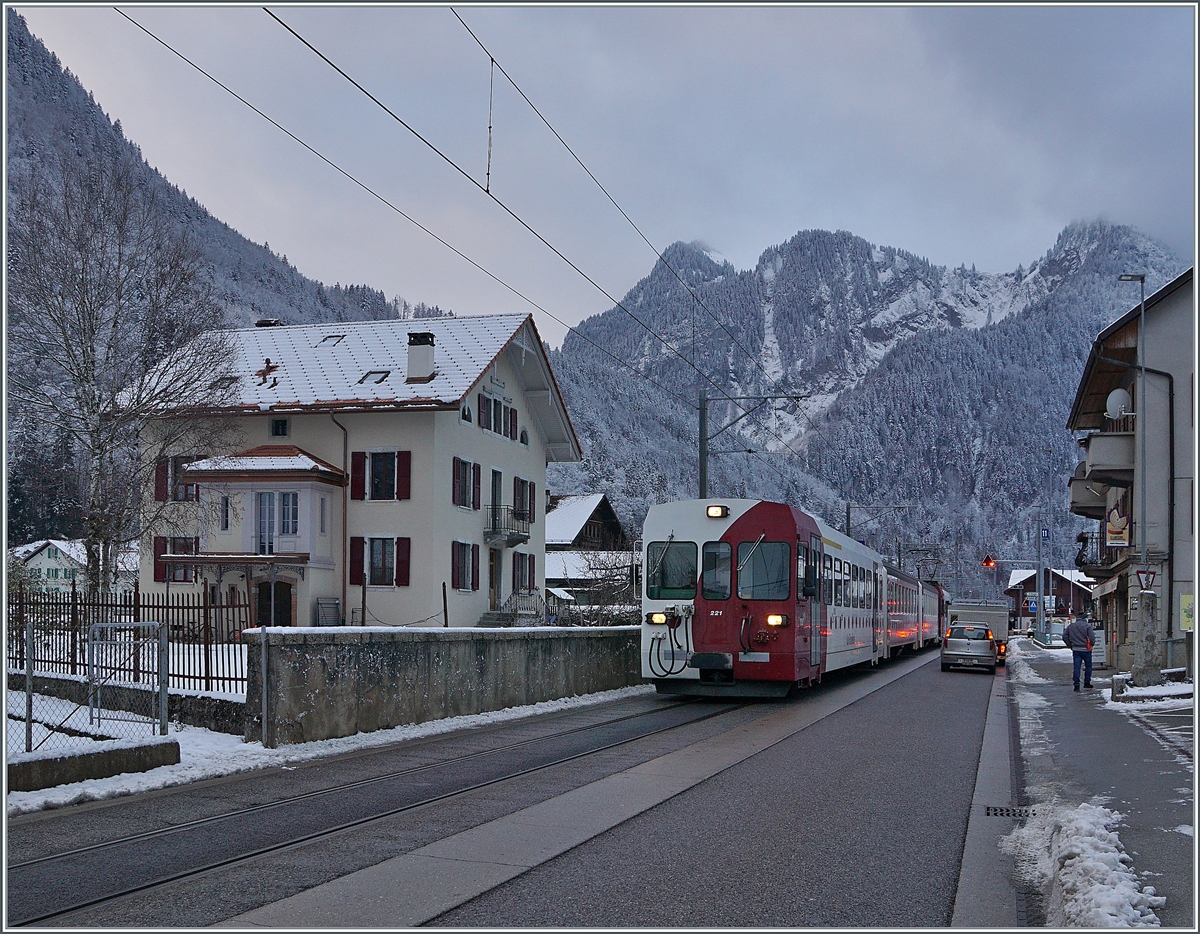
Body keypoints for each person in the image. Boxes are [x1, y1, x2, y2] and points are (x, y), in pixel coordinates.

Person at [1063, 614, 1094, 691]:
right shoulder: (1087, 626)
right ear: (1084, 618)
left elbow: (1064, 636)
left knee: (1077, 667)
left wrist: (1070, 645)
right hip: (1086, 650)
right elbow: (1092, 637)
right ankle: (1087, 682)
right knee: (1088, 666)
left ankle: (1076, 684)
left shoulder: (1071, 626)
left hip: (1076, 649)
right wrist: (1091, 644)